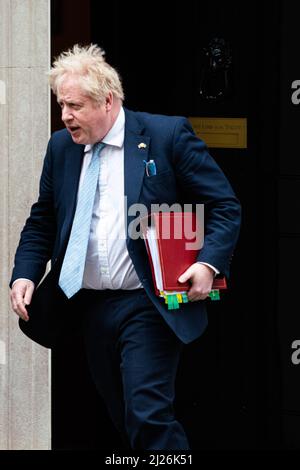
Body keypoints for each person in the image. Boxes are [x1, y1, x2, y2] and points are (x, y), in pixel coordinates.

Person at [10, 44, 241, 450]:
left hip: (146, 302)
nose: (65, 115)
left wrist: (208, 263)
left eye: (75, 105)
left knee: (147, 413)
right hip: (88, 305)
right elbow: (43, 218)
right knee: (122, 415)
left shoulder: (164, 136)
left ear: (108, 100)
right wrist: (25, 273)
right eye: (61, 104)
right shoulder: (61, 148)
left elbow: (224, 205)